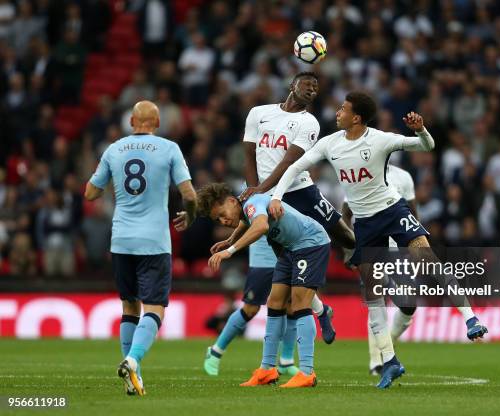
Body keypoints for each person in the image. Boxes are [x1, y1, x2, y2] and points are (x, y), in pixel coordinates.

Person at [269, 91, 488, 388]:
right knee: (372, 296)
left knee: (426, 258)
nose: (337, 112)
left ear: (356, 117)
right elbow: (295, 167)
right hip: (366, 225)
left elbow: (427, 145)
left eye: (343, 109)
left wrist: (420, 129)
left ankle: (470, 318)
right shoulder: (330, 144)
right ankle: (389, 361)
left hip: (392, 210)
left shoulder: (380, 140)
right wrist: (278, 195)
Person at [201, 71, 355, 377]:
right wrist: (253, 192)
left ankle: (362, 261)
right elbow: (248, 154)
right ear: (291, 85)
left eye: (316, 88)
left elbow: (290, 164)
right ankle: (281, 358)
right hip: (264, 196)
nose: (312, 90)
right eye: (306, 85)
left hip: (298, 190)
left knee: (342, 235)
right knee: (278, 296)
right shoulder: (259, 114)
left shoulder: (309, 122)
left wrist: (261, 192)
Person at [85, 101, 197, 396]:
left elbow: (90, 192)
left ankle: (132, 378)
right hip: (154, 241)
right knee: (155, 307)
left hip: (121, 239)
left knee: (129, 305)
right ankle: (133, 360)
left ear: (131, 120)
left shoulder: (114, 149)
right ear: (157, 123)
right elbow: (189, 194)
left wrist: (112, 184)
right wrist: (192, 214)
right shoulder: (169, 148)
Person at [183, 183, 330, 388]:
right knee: (274, 302)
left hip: (310, 243)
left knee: (299, 303)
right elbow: (248, 221)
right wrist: (231, 238)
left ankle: (307, 372)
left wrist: (230, 250)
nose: (223, 220)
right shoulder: (245, 207)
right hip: (290, 248)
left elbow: (261, 226)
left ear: (232, 201)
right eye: (218, 219)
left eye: (222, 214)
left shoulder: (252, 202)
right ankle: (267, 370)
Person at [342, 164, 418, 376]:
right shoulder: (358, 174)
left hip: (398, 252)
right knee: (376, 301)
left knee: (409, 302)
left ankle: (389, 341)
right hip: (371, 248)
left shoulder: (404, 176)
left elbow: (413, 215)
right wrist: (350, 248)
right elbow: (345, 214)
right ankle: (377, 361)